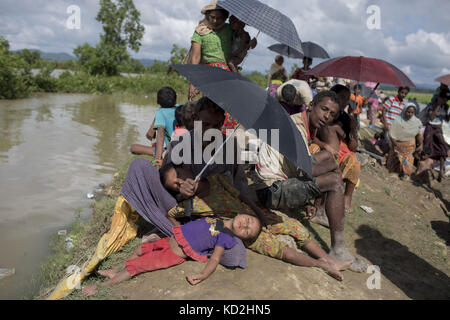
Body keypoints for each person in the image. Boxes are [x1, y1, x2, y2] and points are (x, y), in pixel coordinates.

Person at [162, 164, 352, 281]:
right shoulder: (189, 204)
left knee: (294, 226)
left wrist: (261, 216)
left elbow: (244, 198)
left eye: (179, 174)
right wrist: (182, 230)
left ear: (186, 167)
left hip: (255, 214)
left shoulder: (216, 179)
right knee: (282, 252)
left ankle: (328, 260)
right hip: (242, 232)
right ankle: (321, 265)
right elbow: (169, 213)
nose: (182, 182)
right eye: (176, 185)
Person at [253, 90, 368, 272]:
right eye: (324, 109)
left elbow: (298, 168)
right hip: (269, 190)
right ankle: (338, 250)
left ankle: (328, 222)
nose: (326, 116)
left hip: (277, 184)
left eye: (332, 114)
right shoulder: (295, 126)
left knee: (330, 164)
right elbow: (307, 171)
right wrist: (333, 167)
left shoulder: (304, 124)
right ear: (312, 105)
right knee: (335, 179)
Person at [81, 213, 262, 296]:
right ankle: (115, 271)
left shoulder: (226, 237)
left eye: (247, 231)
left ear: (241, 237)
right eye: (248, 220)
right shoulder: (218, 218)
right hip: (168, 240)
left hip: (173, 254)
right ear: (242, 213)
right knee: (139, 250)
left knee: (138, 266)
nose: (244, 225)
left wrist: (202, 275)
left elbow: (215, 258)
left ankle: (104, 285)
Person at [188, 1, 238, 132]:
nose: (216, 20)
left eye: (219, 18)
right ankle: (209, 135)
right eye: (212, 17)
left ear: (225, 18)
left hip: (227, 73)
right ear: (207, 16)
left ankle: (223, 138)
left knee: (229, 107)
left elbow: (240, 42)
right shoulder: (200, 31)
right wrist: (192, 82)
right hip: (209, 74)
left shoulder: (229, 29)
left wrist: (249, 42)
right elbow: (195, 57)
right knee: (211, 106)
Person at [316, 84, 361, 212]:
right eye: (341, 97)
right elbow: (312, 135)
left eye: (347, 99)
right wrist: (324, 145)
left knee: (355, 162)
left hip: (341, 150)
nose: (345, 102)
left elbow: (352, 147)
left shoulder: (346, 118)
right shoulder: (323, 113)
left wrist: (353, 128)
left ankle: (347, 197)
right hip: (320, 146)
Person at [130, 87, 178, 165]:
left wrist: (157, 159)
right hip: (184, 148)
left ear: (158, 101)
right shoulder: (180, 108)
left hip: (171, 151)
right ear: (175, 99)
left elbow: (156, 136)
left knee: (134, 147)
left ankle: (162, 155)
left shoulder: (160, 112)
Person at [417, 90, 450, 182]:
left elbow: (447, 119)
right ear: (439, 98)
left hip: (438, 128)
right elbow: (431, 117)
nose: (445, 100)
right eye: (443, 98)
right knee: (427, 149)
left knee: (443, 150)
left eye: (446, 99)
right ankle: (421, 170)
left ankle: (441, 170)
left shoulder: (445, 107)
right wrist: (438, 105)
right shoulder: (431, 105)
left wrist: (448, 112)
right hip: (430, 128)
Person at [386, 103, 423, 179]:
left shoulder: (417, 122)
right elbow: (391, 135)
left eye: (412, 112)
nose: (410, 114)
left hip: (410, 145)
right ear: (404, 110)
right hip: (397, 144)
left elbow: (419, 135)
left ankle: (406, 174)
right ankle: (396, 171)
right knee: (394, 163)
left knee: (407, 158)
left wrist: (421, 145)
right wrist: (397, 145)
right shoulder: (398, 120)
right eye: (408, 112)